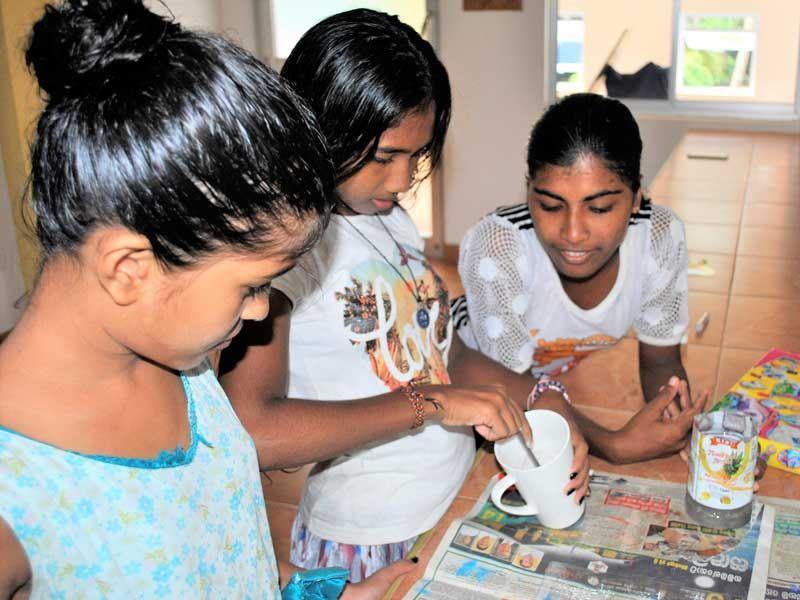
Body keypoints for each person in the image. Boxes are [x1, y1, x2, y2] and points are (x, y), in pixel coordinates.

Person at [0, 1, 412, 597]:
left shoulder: (186, 368)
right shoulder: (16, 492)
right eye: (252, 287)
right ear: (130, 268)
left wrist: (328, 594)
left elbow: (221, 551)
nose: (261, 312)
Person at [220, 9, 591, 583]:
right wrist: (436, 406)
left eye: (416, 155)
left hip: (443, 501)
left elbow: (443, 355)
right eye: (384, 156)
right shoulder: (287, 251)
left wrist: (541, 396)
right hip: (368, 539)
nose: (402, 180)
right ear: (321, 129)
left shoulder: (385, 218)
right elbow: (254, 430)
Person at [454, 93, 707, 465]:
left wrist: (687, 431)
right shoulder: (498, 247)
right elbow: (516, 394)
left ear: (637, 196)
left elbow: (660, 363)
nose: (573, 233)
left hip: (544, 389)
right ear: (528, 192)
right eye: (550, 205)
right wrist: (613, 444)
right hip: (477, 390)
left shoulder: (658, 236)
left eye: (600, 208)